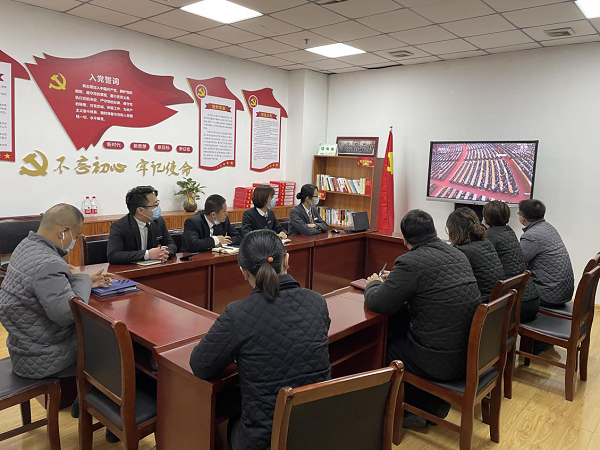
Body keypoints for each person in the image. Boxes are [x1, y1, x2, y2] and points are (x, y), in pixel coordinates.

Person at [189, 230, 331, 449]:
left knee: (225, 421)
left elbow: (200, 365)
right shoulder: (317, 302)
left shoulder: (238, 314)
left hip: (265, 440)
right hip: (317, 430)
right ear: (287, 260)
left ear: (243, 272)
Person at [364, 210, 480, 427]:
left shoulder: (410, 262)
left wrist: (373, 284)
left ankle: (413, 407)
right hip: (467, 355)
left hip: (438, 362)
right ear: (435, 231)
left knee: (381, 348)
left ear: (404, 240)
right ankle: (429, 403)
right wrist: (397, 280)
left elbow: (378, 303)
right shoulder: (458, 254)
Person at [0, 204, 112, 379]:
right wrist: (82, 279)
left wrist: (87, 281)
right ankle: (90, 395)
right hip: (45, 357)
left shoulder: (25, 246)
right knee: (112, 342)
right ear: (63, 232)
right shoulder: (49, 263)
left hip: (24, 347)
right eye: (75, 236)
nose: (74, 241)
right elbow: (69, 314)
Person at [483, 201, 540, 322]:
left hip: (517, 306)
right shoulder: (509, 231)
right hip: (532, 299)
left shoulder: (489, 236)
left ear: (486, 217)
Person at [518, 199, 574, 306]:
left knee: (508, 287)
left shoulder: (531, 236)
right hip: (563, 291)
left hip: (549, 294)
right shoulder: (549, 227)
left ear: (523, 218)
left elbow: (518, 262)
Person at [446, 207, 504, 303]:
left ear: (454, 231)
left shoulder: (463, 252)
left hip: (482, 303)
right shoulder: (487, 244)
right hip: (496, 302)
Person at [106, 186, 177, 264]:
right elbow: (113, 256)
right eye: (155, 205)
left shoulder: (158, 221)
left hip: (155, 266)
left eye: (158, 203)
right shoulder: (120, 226)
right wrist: (148, 254)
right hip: (131, 268)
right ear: (140, 210)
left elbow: (171, 244)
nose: (158, 208)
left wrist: (163, 253)